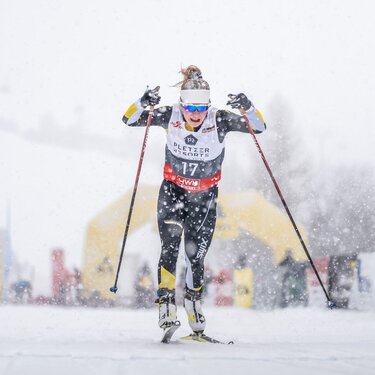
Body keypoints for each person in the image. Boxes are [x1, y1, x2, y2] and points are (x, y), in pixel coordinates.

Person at [122, 65, 266, 333]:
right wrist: (142, 102)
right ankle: (166, 305)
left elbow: (259, 128)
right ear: (182, 105)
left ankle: (193, 302)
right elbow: (129, 120)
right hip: (173, 192)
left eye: (201, 109)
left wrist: (247, 107)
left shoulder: (219, 119)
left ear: (208, 106)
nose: (196, 114)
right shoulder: (169, 115)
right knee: (170, 245)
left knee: (195, 255)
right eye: (191, 108)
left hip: (204, 198)